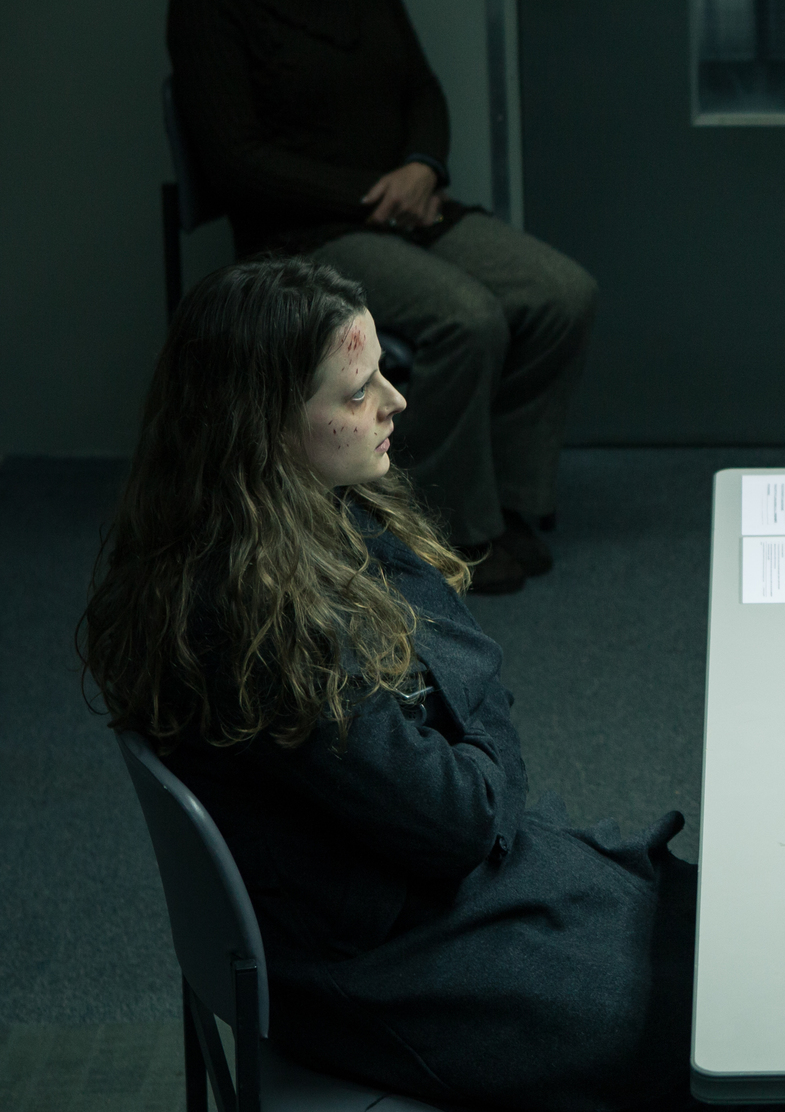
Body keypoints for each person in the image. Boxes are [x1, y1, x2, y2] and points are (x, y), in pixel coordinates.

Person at [80, 259, 693, 1110]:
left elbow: (463, 780)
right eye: (358, 391)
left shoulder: (308, 513)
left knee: (713, 922)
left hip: (404, 890)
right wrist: (479, 729)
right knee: (710, 1024)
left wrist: (473, 745)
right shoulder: (252, 623)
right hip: (382, 958)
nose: (395, 402)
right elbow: (464, 817)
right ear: (261, 428)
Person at [166, 0, 594, 594]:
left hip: (406, 203)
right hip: (305, 232)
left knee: (560, 292)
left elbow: (421, 88)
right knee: (467, 320)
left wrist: (422, 165)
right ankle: (452, 535)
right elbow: (234, 159)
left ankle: (511, 499)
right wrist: (372, 192)